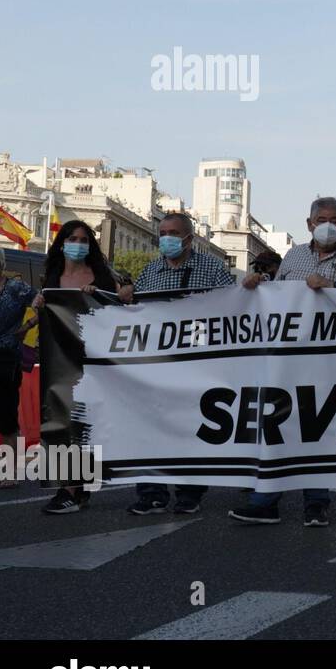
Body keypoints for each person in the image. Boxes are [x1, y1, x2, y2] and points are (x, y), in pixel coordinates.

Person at [230, 197, 336, 528]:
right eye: (321, 219)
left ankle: (316, 503)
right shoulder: (294, 256)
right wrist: (259, 288)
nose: (329, 224)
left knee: (318, 427)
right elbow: (279, 300)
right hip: (290, 357)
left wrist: (334, 288)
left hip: (333, 359)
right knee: (279, 425)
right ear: (309, 224)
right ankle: (266, 501)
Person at [120, 213, 234, 515]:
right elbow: (137, 314)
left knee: (191, 428)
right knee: (149, 426)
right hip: (156, 363)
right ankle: (151, 493)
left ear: (189, 238)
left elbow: (232, 307)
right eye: (162, 232)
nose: (166, 238)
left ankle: (189, 492)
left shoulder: (212, 269)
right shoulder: (150, 272)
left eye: (173, 232)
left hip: (197, 363)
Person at [33, 221, 123, 514]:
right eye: (72, 238)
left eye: (84, 239)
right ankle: (69, 488)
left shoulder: (101, 275)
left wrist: (100, 295)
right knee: (61, 419)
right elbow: (47, 311)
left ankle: (76, 487)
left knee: (84, 424)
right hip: (59, 359)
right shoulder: (53, 276)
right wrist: (40, 302)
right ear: (61, 242)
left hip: (93, 361)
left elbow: (122, 305)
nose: (78, 243)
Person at [0, 248, 37, 490]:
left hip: (5, 358)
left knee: (5, 417)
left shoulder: (16, 287)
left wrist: (28, 325)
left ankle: (10, 471)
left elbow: (43, 302)